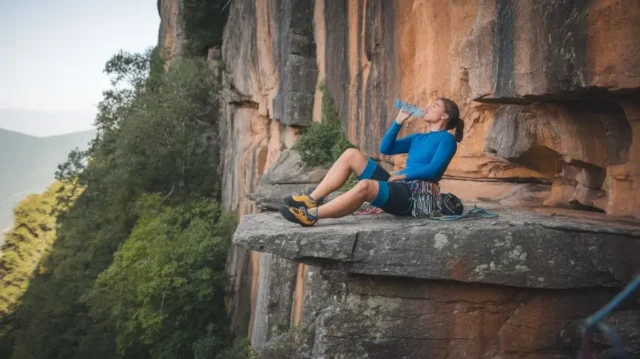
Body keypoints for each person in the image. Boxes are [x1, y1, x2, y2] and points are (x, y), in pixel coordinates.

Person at [279, 97, 464, 226]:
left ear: (445, 116)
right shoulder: (418, 138)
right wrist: (398, 121)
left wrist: (398, 177)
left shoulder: (446, 140)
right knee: (352, 154)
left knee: (366, 186)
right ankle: (312, 200)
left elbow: (433, 171)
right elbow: (386, 149)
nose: (429, 106)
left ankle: (311, 215)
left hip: (417, 195)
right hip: (400, 186)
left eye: (435, 106)